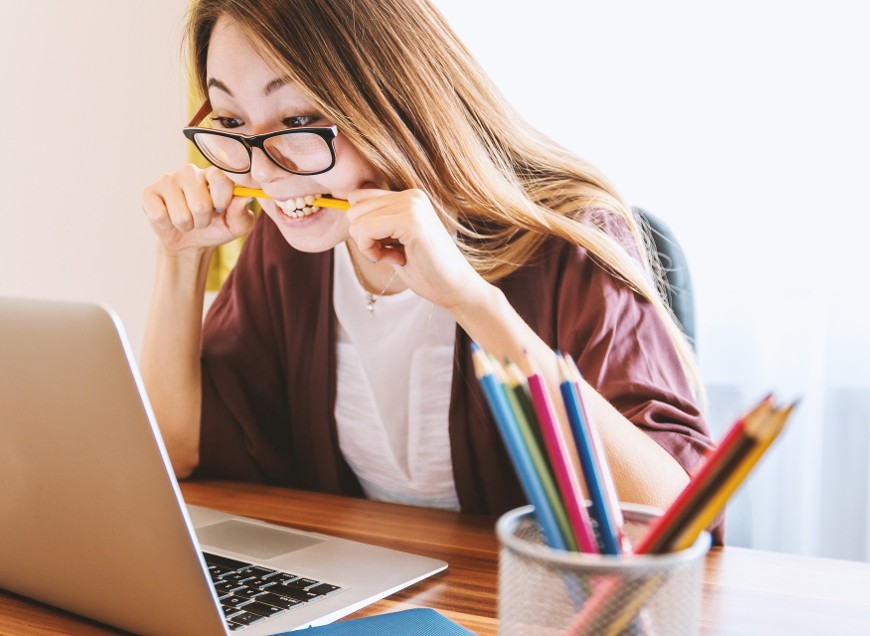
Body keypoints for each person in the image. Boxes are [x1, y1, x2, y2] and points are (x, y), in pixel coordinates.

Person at [141, 0, 721, 537]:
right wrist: (181, 259)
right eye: (233, 121)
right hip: (372, 599)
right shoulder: (288, 250)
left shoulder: (568, 241)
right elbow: (174, 450)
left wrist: (470, 301)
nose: (266, 173)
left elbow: (673, 517)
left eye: (298, 121)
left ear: (393, 99)